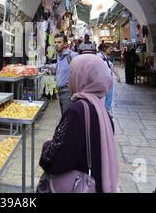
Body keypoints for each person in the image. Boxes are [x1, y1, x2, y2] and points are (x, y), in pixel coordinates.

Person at [37, 54, 119, 193]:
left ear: (82, 78)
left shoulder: (77, 111)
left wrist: (47, 146)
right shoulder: (102, 111)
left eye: (72, 74)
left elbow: (57, 159)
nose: (69, 80)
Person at [45, 34, 78, 114]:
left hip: (68, 92)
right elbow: (59, 67)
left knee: (67, 119)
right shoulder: (59, 56)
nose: (56, 44)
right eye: (55, 42)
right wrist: (46, 66)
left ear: (66, 44)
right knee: (64, 117)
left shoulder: (72, 55)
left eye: (59, 42)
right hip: (60, 92)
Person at [97, 43, 121, 113]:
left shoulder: (109, 57)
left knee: (109, 96)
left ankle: (107, 111)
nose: (111, 50)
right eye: (110, 49)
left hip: (109, 80)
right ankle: (101, 112)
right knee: (102, 97)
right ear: (105, 49)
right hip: (102, 80)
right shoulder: (99, 57)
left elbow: (112, 67)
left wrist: (118, 76)